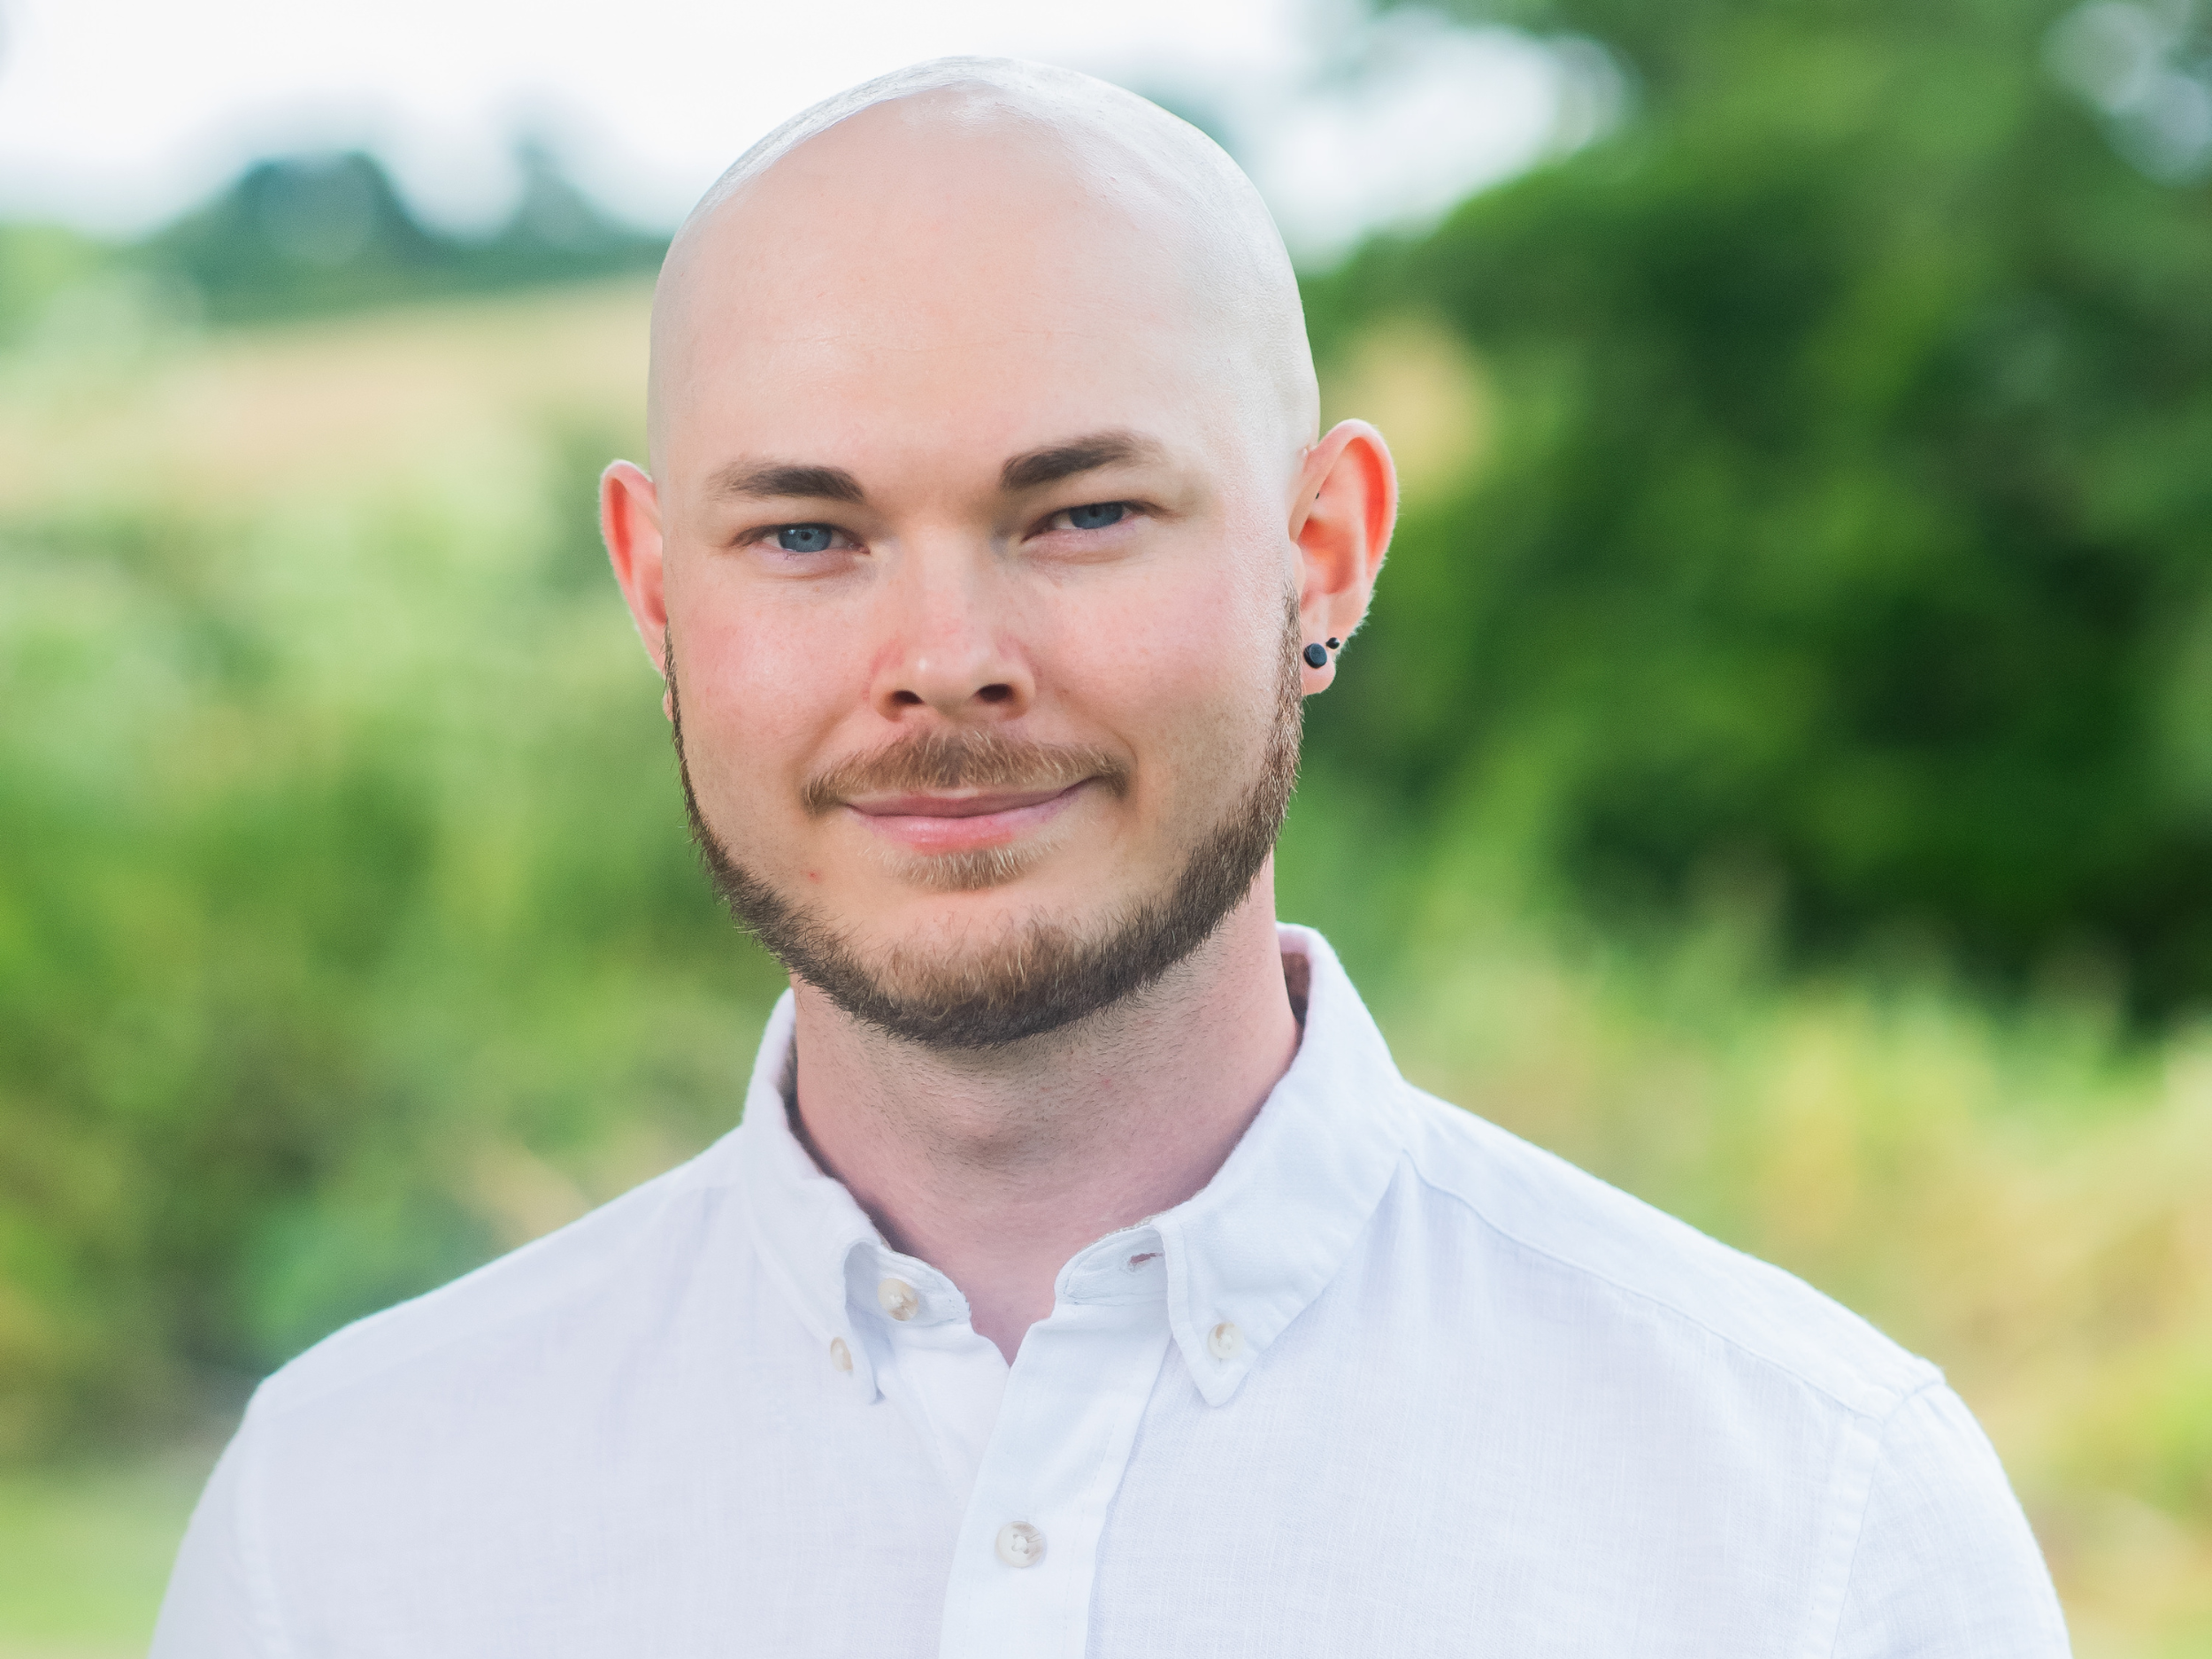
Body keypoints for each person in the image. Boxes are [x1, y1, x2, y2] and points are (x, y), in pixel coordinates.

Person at [153, 57, 2070, 1658]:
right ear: (658, 587)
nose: (940, 662)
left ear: (1320, 551)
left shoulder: (1807, 1523)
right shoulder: (342, 1533)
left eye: (1074, 512)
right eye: (806, 537)